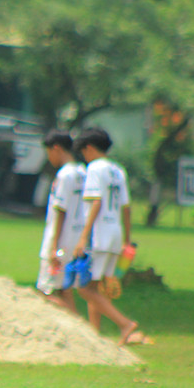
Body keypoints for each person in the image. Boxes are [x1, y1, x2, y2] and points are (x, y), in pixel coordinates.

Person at [73, 126, 140, 346]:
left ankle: (125, 324)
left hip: (98, 234)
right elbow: (127, 207)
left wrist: (83, 237)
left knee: (84, 288)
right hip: (115, 232)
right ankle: (95, 336)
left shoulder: (94, 168)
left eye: (83, 151)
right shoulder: (118, 170)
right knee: (97, 287)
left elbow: (96, 202)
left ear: (89, 148)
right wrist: (126, 240)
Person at [36, 130, 86, 314]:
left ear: (56, 148)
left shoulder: (64, 175)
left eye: (49, 152)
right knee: (65, 290)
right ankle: (82, 334)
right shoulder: (82, 172)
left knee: (45, 291)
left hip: (61, 239)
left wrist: (54, 247)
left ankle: (76, 327)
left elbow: (61, 210)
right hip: (76, 237)